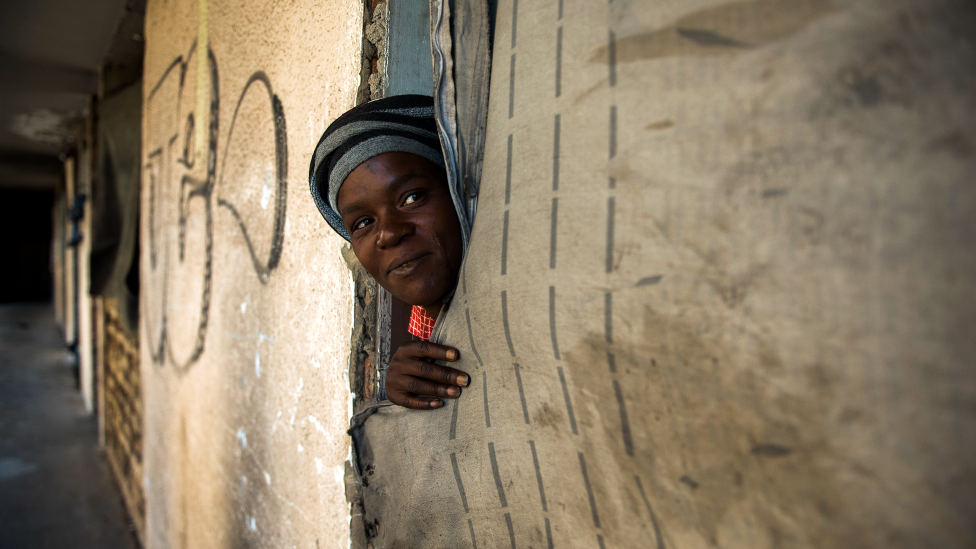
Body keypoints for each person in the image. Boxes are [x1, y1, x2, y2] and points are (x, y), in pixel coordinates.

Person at [308, 95, 471, 410]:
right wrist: (407, 379)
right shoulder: (424, 326)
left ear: (458, 191)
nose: (389, 233)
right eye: (364, 222)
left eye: (412, 198)